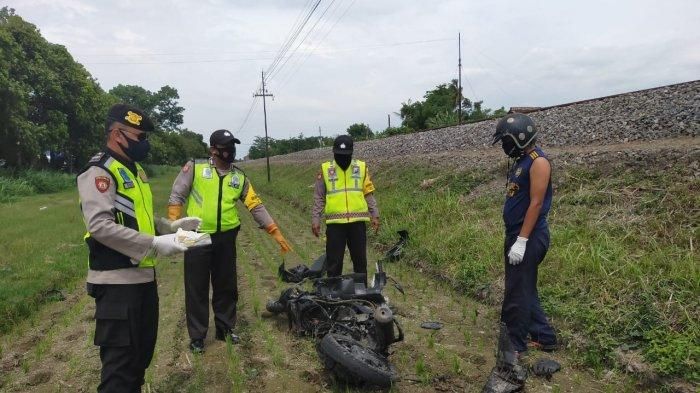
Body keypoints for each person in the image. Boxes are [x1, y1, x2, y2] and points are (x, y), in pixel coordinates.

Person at [78, 103, 200, 392]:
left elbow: (136, 219)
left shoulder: (133, 170)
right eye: (140, 137)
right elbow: (100, 225)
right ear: (118, 134)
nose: (144, 144)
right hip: (117, 285)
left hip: (143, 280)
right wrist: (154, 243)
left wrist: (169, 228)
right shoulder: (99, 171)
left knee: (138, 362)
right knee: (119, 372)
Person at [167, 129, 292, 353]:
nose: (230, 151)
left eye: (232, 147)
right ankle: (197, 336)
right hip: (196, 235)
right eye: (226, 148)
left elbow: (255, 205)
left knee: (226, 285)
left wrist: (274, 230)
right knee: (196, 287)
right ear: (213, 150)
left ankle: (225, 328)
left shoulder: (239, 177)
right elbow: (177, 194)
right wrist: (174, 221)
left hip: (226, 237)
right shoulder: (195, 168)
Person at [491, 113, 558, 355]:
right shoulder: (521, 161)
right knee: (523, 286)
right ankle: (545, 337)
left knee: (516, 293)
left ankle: (514, 346)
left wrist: (521, 240)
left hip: (528, 236)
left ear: (519, 137)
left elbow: (536, 204)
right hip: (516, 234)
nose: (504, 147)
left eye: (505, 141)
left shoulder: (538, 162)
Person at [311, 134, 380, 281]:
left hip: (358, 223)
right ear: (334, 153)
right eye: (339, 155)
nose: (342, 158)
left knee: (360, 262)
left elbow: (368, 193)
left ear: (351, 153)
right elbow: (319, 197)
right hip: (335, 225)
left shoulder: (361, 167)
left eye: (345, 155)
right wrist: (315, 219)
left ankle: (361, 293)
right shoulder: (325, 169)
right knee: (334, 263)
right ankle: (333, 294)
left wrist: (375, 214)